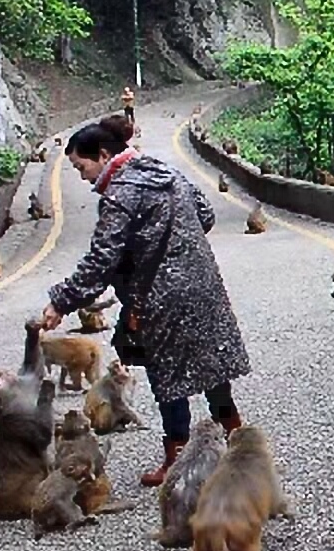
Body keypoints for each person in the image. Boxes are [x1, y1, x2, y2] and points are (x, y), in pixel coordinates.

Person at [41, 120, 251, 486]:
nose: (82, 176)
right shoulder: (166, 172)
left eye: (81, 166)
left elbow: (102, 259)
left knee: (168, 377)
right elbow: (205, 215)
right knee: (212, 366)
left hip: (159, 296)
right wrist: (178, 249)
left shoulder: (120, 195)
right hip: (202, 285)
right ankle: (237, 443)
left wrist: (61, 301)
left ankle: (178, 458)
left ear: (103, 156)